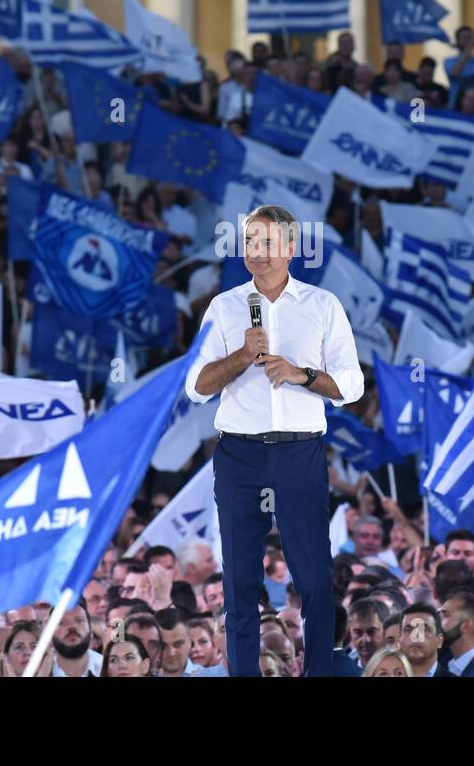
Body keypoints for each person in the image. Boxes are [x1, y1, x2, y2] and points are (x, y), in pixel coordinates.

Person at [186, 205, 364, 677]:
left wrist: (301, 375)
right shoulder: (224, 307)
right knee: (240, 583)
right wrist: (243, 356)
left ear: (290, 248)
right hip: (238, 454)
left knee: (315, 581)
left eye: (266, 243)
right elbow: (196, 386)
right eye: (249, 243)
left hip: (299, 451)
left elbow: (353, 385)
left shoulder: (323, 305)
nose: (256, 252)